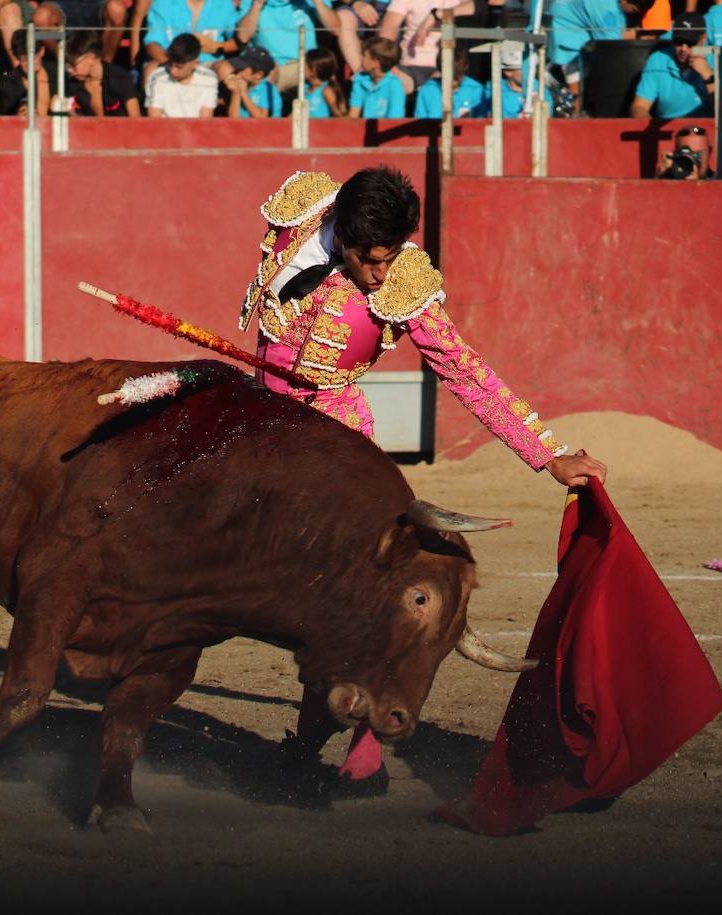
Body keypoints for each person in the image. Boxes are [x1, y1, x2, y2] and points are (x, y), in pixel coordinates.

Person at [239, 166, 607, 793]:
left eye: (391, 258)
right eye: (369, 260)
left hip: (333, 442)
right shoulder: (299, 214)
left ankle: (353, 743)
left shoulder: (405, 283)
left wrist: (548, 454)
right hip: (258, 424)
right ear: (340, 231)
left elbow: (466, 373)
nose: (382, 274)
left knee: (343, 590)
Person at [546, 0, 636, 113]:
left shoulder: (612, 8)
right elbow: (610, 42)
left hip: (573, 42)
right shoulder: (604, 5)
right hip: (570, 46)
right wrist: (636, 34)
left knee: (579, 91)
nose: (634, 12)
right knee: (576, 94)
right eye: (635, 9)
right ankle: (573, 116)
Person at [236, 0, 342, 92]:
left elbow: (336, 29)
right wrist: (257, 4)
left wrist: (317, 1)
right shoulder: (251, 2)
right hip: (273, 66)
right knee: (257, 79)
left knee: (323, 72)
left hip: (306, 63)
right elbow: (243, 37)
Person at [629, 13, 722, 118]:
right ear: (672, 38)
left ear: (703, 38)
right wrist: (649, 129)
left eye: (690, 43)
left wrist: (708, 76)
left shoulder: (717, 59)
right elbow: (639, 106)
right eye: (679, 42)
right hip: (668, 130)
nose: (683, 48)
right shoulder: (658, 59)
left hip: (704, 130)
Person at [378, 0, 476, 93]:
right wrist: (386, 64)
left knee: (436, 90)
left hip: (443, 67)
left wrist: (437, 15)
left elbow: (476, 6)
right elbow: (388, 30)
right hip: (409, 65)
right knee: (389, 86)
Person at [141, 0, 241, 87]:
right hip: (171, 61)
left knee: (225, 69)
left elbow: (238, 41)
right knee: (151, 70)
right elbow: (152, 43)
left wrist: (217, 46)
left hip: (207, 64)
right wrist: (176, 65)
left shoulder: (224, 4)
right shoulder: (163, 3)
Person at [64, 29, 142, 116]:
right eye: (67, 65)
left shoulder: (120, 78)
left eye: (72, 65)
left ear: (91, 58)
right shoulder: (71, 84)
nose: (69, 70)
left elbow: (136, 120)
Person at [146, 32, 220, 115]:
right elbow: (155, 120)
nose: (172, 71)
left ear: (195, 63)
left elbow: (205, 120)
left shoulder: (209, 79)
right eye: (170, 64)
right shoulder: (157, 77)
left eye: (179, 67)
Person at [483, 39, 554, 117]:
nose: (531, 72)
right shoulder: (493, 90)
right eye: (525, 69)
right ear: (508, 71)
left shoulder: (541, 90)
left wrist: (539, 109)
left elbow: (547, 119)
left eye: (533, 68)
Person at [413, 44, 485, 117]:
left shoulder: (476, 89)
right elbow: (420, 124)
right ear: (440, 70)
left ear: (466, 66)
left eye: (456, 77)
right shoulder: (427, 89)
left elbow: (482, 123)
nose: (453, 82)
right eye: (448, 77)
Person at [0, 28, 54, 115]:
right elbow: (6, 115)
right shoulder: (9, 83)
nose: (30, 64)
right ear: (17, 57)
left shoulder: (57, 72)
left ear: (42, 51)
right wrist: (18, 115)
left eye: (33, 58)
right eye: (24, 60)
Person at [349, 34, 406, 115]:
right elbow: (353, 115)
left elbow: (395, 118)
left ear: (375, 63)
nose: (362, 59)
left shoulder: (395, 84)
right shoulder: (360, 79)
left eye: (364, 56)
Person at [221, 43, 284, 115]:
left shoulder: (267, 90)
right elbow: (233, 121)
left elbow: (262, 119)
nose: (237, 72)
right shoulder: (245, 84)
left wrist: (244, 94)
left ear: (258, 74)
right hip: (243, 126)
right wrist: (236, 93)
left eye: (242, 68)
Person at [331, 0, 391, 75]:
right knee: (344, 18)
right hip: (353, 4)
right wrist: (355, 3)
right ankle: (361, 76)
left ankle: (385, 76)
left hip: (394, 7)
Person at [302, 46, 348, 115]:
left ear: (313, 71)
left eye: (304, 65)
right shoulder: (304, 88)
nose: (301, 68)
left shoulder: (326, 91)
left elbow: (339, 116)